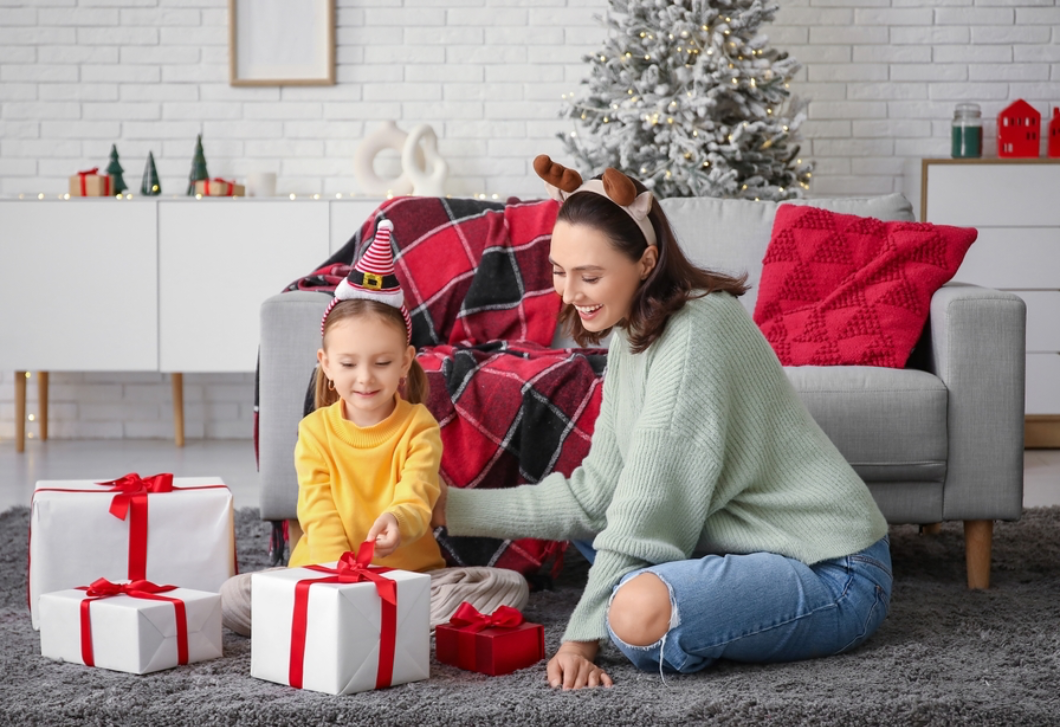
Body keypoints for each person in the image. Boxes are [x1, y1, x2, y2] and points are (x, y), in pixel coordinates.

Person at [431, 156, 893, 690]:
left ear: (646, 261)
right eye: (559, 271)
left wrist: (581, 638)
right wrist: (447, 507)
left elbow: (647, 506)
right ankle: (673, 592)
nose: (568, 293)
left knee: (634, 614)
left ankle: (662, 600)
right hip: (738, 546)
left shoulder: (696, 330)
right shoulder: (635, 331)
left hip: (833, 572)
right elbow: (597, 495)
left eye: (591, 276)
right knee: (610, 537)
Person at [220, 220, 527, 635]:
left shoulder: (418, 426)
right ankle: (364, 620)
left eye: (382, 363)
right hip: (326, 575)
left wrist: (400, 522)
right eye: (348, 364)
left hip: (407, 581)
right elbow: (317, 508)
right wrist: (339, 578)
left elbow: (418, 494)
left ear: (405, 362)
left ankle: (355, 623)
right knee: (234, 595)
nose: (365, 378)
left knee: (505, 586)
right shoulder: (314, 430)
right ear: (326, 365)